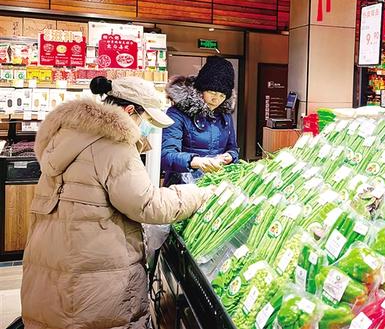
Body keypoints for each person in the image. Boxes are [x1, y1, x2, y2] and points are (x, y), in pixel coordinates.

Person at [21, 76, 214, 329]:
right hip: (93, 281)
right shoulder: (114, 144)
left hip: (51, 270)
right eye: (146, 120)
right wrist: (198, 194)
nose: (147, 128)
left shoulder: (68, 136)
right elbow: (147, 204)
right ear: (130, 111)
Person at [161, 56, 239, 185]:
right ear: (201, 89)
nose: (216, 100)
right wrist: (196, 162)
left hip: (214, 184)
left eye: (222, 95)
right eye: (212, 92)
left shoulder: (225, 115)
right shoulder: (177, 113)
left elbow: (233, 147)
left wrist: (230, 156)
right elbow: (166, 156)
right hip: (182, 186)